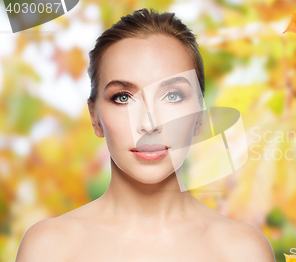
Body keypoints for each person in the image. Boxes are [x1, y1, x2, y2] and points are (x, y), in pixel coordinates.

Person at [15, 8, 276, 262]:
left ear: (198, 116)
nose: (149, 123)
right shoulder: (48, 248)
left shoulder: (242, 251)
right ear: (95, 116)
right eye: (123, 97)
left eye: (173, 96)